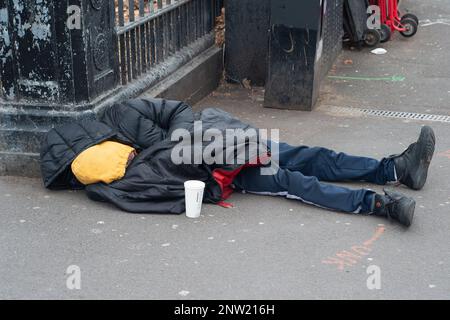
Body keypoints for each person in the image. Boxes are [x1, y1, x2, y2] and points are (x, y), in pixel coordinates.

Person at [40, 98, 435, 227]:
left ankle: (396, 169)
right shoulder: (111, 179)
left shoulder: (124, 113)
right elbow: (156, 196)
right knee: (291, 181)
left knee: (310, 156)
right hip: (219, 173)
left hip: (221, 143)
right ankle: (379, 204)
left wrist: (179, 143)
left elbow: (179, 109)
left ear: (97, 137)